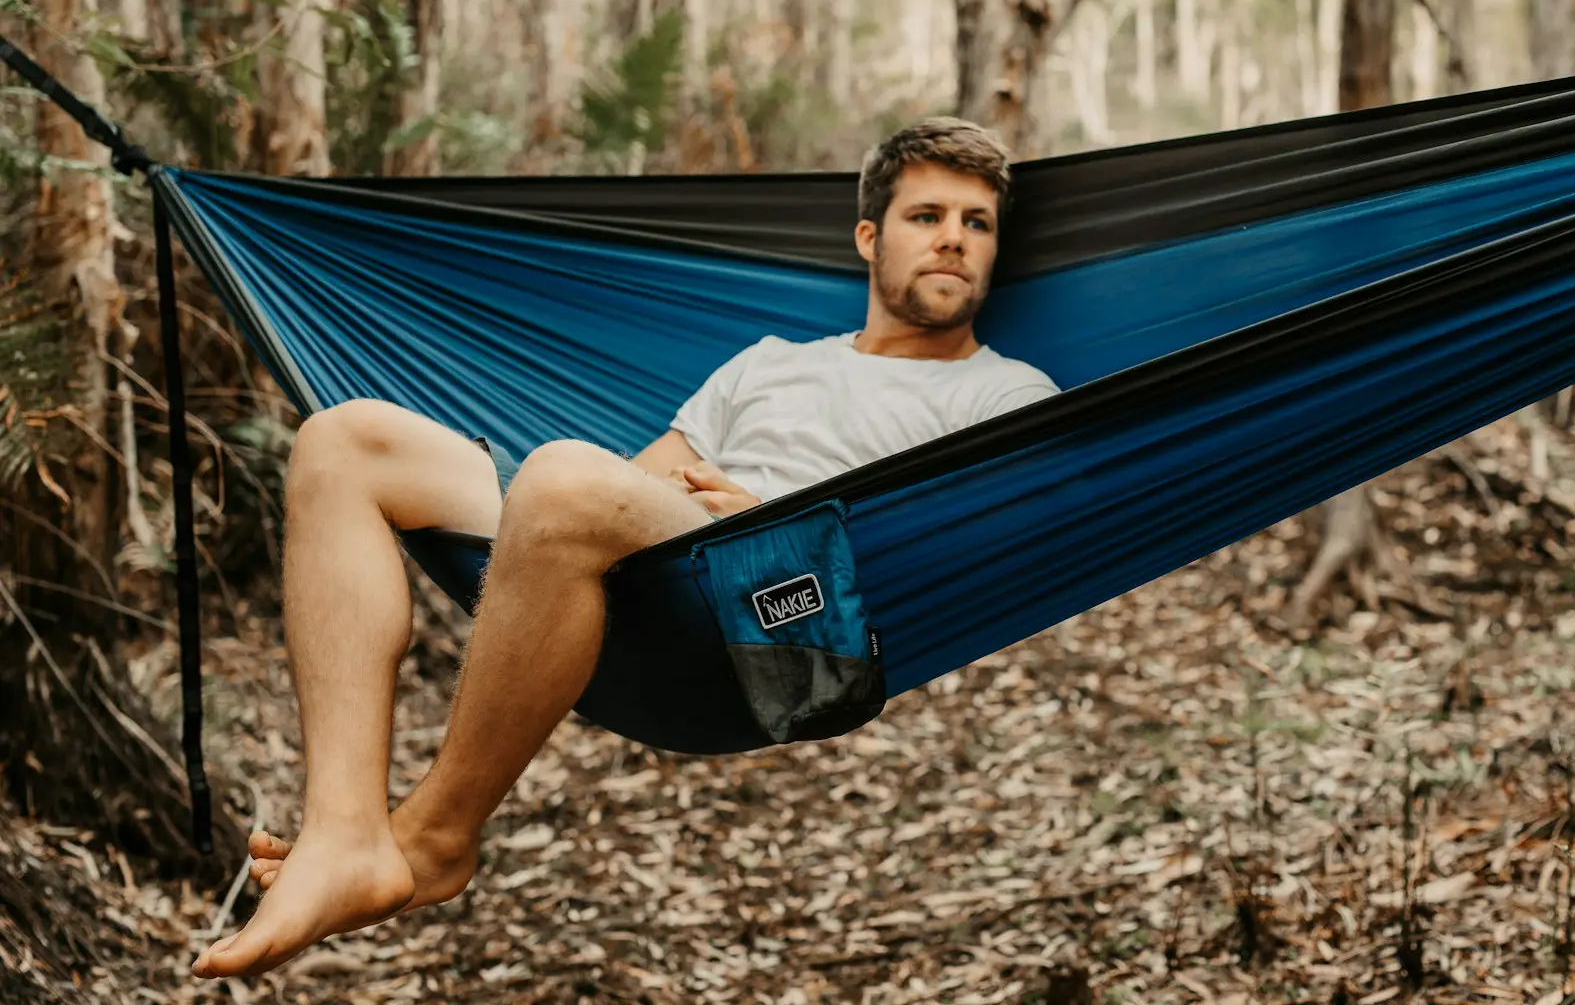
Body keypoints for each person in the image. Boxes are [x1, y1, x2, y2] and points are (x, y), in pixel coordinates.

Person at [192, 117, 1058, 978]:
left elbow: (954, 543)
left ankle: (436, 835)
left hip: (792, 614)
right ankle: (345, 830)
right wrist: (606, 515)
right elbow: (634, 480)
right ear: (870, 236)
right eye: (928, 216)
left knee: (563, 476)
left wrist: (767, 517)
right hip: (657, 561)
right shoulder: (767, 364)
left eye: (975, 223)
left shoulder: (1005, 392)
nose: (952, 240)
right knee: (345, 441)